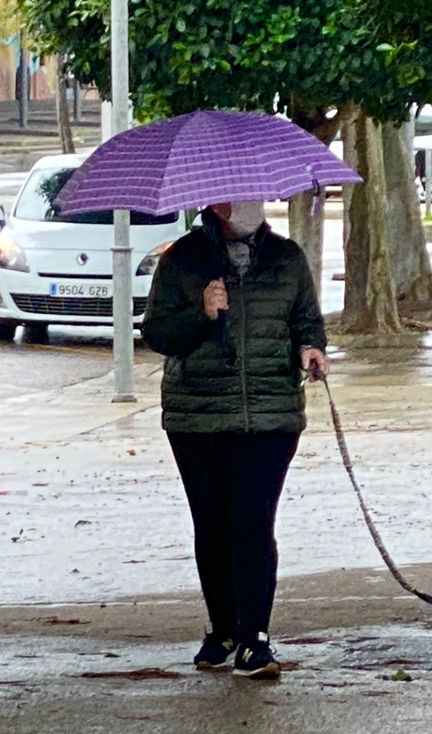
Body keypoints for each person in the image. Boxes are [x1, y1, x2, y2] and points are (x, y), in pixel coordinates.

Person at [141, 200, 328, 680]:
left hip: (270, 415)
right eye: (234, 198)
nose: (245, 206)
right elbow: (158, 333)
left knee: (252, 520)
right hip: (198, 416)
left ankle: (254, 639)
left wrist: (311, 348)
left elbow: (307, 319)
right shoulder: (182, 258)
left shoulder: (287, 258)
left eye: (252, 197)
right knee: (213, 524)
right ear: (213, 203)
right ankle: (223, 629)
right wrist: (202, 313)